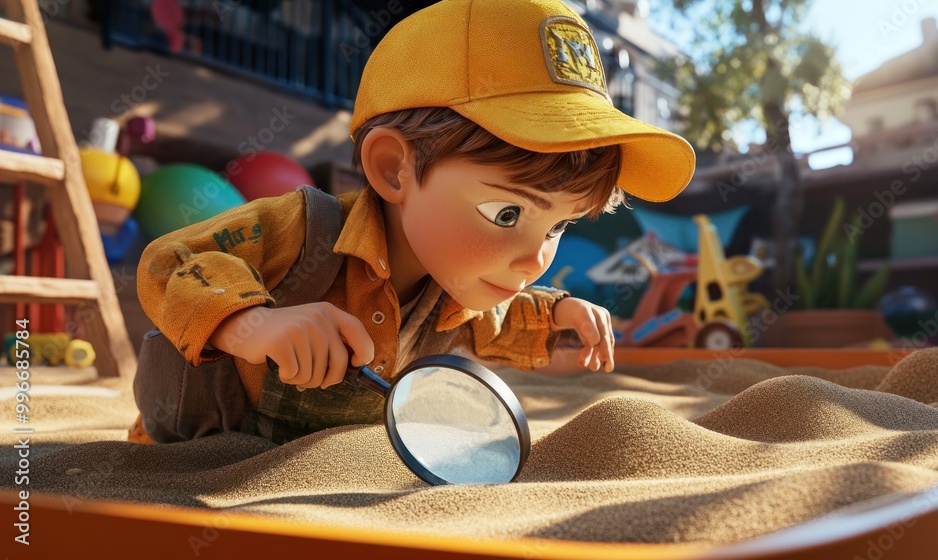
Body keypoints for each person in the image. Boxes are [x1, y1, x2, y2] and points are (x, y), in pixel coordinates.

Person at [127, 0, 695, 445]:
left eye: (557, 227)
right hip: (194, 447)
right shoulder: (305, 228)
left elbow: (495, 319)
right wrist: (249, 324)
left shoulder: (456, 286)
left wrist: (559, 313)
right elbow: (169, 259)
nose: (535, 257)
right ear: (394, 168)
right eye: (506, 213)